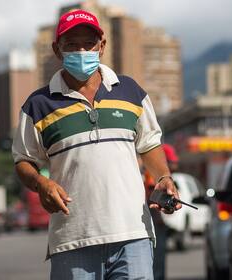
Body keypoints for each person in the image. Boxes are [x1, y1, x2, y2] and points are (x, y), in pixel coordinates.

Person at [12, 9, 181, 280]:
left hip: (132, 235)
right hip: (72, 240)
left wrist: (163, 177)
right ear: (57, 50)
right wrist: (41, 184)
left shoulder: (131, 92)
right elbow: (23, 161)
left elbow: (149, 143)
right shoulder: (38, 104)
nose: (81, 50)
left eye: (88, 43)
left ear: (101, 46)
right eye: (71, 44)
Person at [144, 144, 180, 280]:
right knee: (157, 260)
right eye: (171, 162)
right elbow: (152, 196)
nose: (175, 165)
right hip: (153, 219)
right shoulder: (153, 175)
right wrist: (159, 219)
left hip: (155, 219)